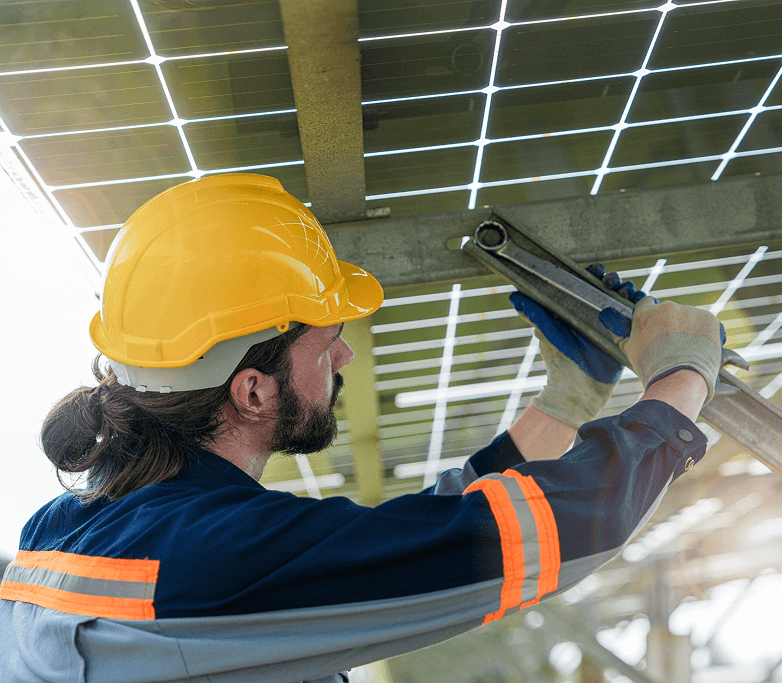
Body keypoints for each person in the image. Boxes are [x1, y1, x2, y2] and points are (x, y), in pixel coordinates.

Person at [0, 174, 725, 683]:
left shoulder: (62, 530)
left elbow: (390, 541)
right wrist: (679, 375)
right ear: (251, 390)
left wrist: (564, 404)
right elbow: (531, 537)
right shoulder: (212, 559)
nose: (345, 354)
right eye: (327, 340)